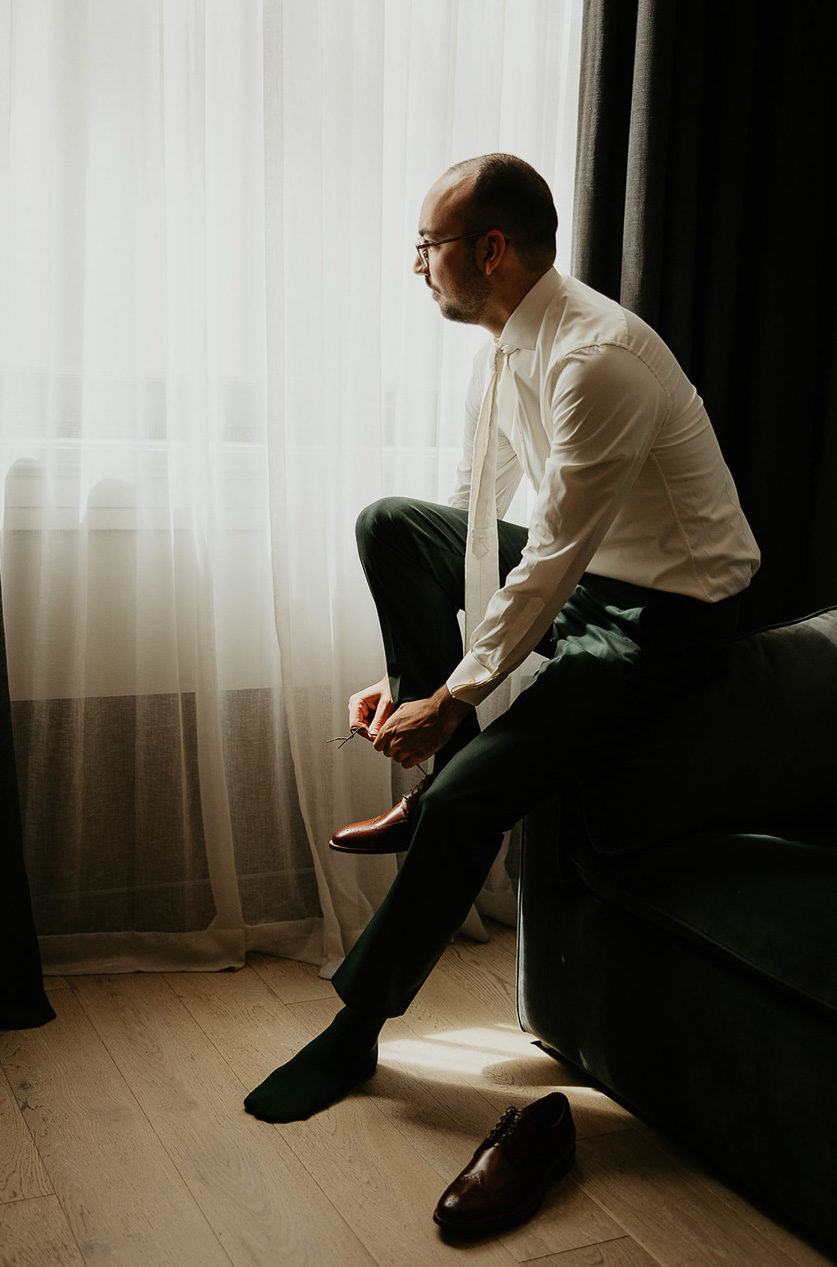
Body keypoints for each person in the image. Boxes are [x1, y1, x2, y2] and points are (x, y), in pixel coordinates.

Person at [244, 153, 760, 1127]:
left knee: (471, 791)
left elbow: (553, 557)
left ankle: (354, 1026)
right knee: (390, 523)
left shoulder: (594, 359)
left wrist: (458, 702)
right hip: (590, 573)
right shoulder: (509, 343)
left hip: (665, 612)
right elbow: (474, 524)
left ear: (488, 249)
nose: (415, 264)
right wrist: (416, 687)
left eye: (425, 245)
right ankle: (431, 753)